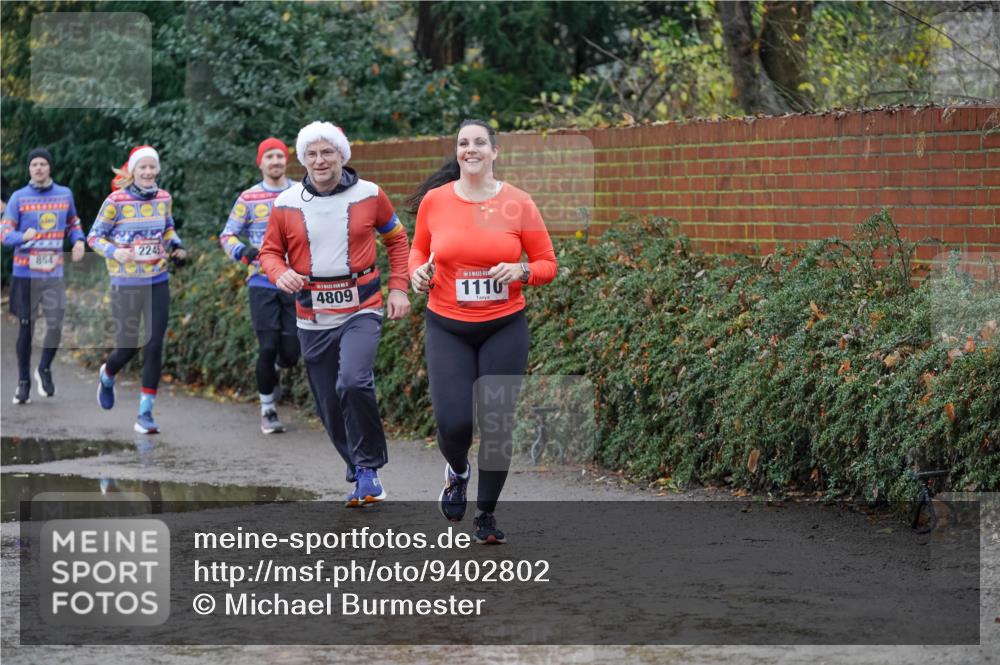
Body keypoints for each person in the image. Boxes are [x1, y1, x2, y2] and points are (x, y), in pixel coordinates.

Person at [408, 119, 557, 544]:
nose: (470, 149)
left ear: (494, 152)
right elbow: (419, 249)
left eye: (478, 143)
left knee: (497, 424)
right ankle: (457, 472)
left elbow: (548, 263)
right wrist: (417, 273)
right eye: (462, 143)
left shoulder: (519, 203)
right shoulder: (435, 202)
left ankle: (486, 515)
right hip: (448, 326)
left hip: (503, 326)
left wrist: (521, 269)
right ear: (457, 152)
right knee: (453, 424)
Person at [259, 121, 410, 506]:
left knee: (354, 381)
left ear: (342, 155)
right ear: (303, 160)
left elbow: (397, 239)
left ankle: (368, 470)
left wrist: (398, 288)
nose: (320, 160)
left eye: (327, 152)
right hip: (311, 314)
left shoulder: (371, 195)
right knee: (329, 401)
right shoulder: (286, 203)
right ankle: (357, 466)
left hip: (362, 306)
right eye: (311, 153)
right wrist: (281, 274)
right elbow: (269, 254)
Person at [88, 145, 187, 434]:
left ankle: (145, 414)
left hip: (157, 279)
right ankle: (107, 374)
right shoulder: (115, 201)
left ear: (157, 170)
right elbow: (94, 236)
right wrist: (114, 252)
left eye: (151, 167)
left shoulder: (164, 198)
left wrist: (176, 246)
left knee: (154, 345)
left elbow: (167, 229)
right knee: (129, 346)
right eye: (141, 167)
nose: (147, 172)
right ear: (132, 171)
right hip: (126, 282)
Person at [220, 137, 300, 434]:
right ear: (261, 163)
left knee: (291, 353)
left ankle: (276, 371)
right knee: (267, 346)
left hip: (295, 282)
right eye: (269, 157)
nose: (275, 161)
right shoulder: (248, 198)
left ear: (286, 160)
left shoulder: (300, 192)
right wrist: (243, 251)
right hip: (261, 281)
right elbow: (227, 235)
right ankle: (267, 408)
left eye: (280, 156)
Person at [1, 148, 87, 404]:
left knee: (55, 323)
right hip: (26, 272)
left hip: (53, 271)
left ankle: (44, 368)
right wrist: (22, 237)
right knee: (26, 327)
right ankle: (23, 381)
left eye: (43, 164)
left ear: (50, 168)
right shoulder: (18, 198)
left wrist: (79, 241)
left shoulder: (64, 194)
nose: (38, 168)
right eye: (34, 164)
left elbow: (73, 223)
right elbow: (4, 234)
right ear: (29, 169)